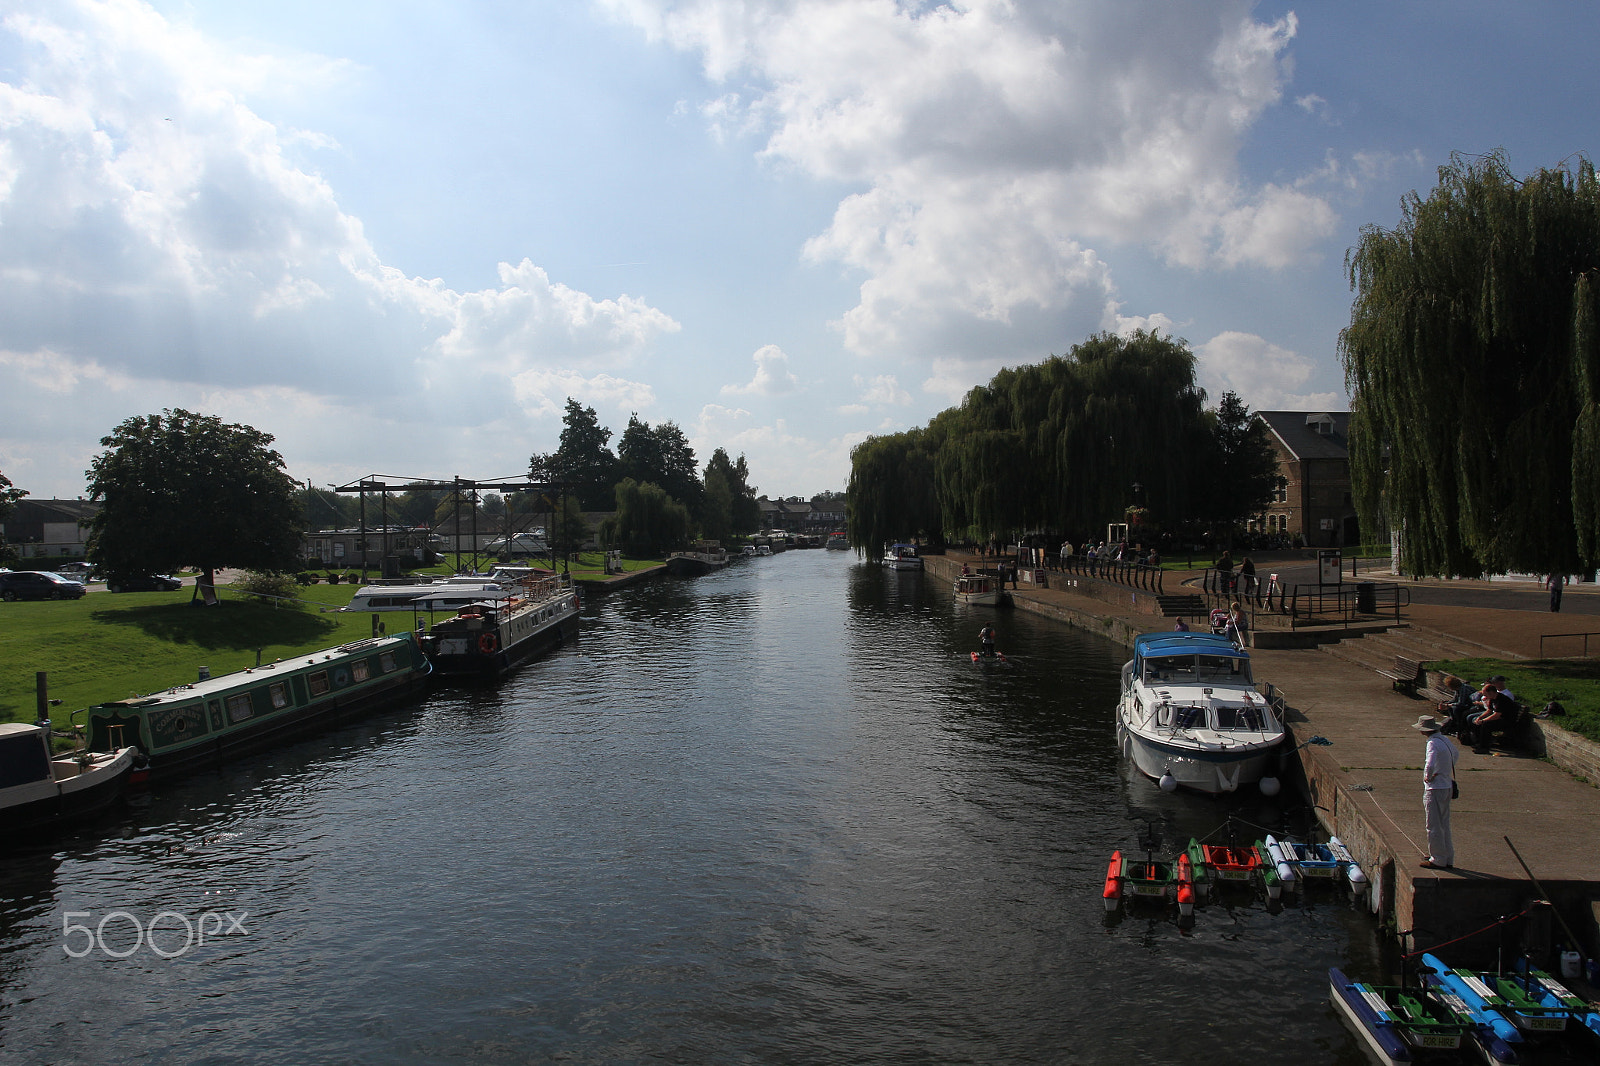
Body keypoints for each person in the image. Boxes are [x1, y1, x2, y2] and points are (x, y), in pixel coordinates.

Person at [1415, 715, 1457, 870]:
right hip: (1447, 785)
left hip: (1435, 788)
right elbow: (1456, 754)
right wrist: (1444, 770)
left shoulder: (1432, 743)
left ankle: (1437, 858)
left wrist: (1428, 776)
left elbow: (1430, 762)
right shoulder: (1445, 740)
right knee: (1444, 823)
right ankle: (1448, 857)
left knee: (1433, 824)